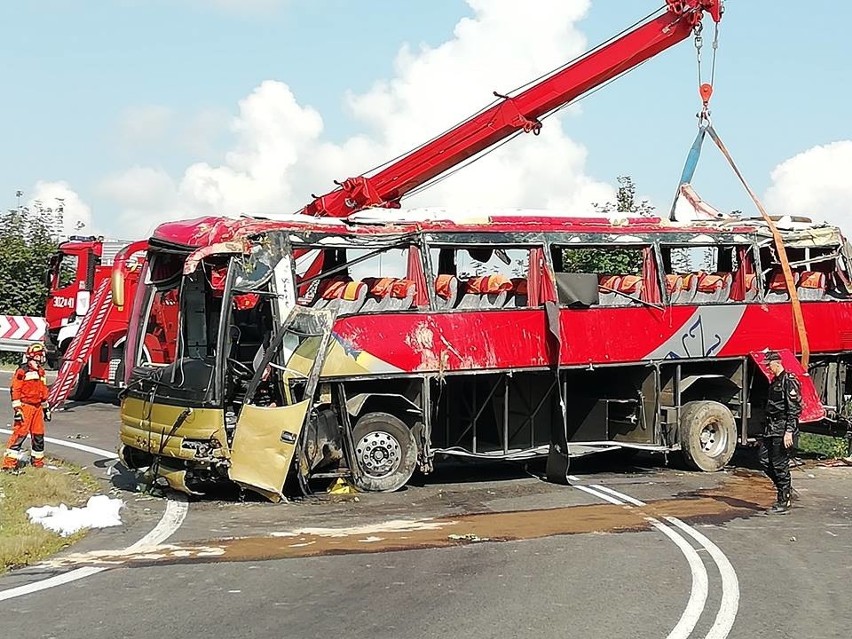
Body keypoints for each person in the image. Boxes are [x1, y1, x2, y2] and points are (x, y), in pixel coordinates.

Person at [758, 351, 802, 514]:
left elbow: (794, 409)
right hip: (771, 428)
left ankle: (784, 500)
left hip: (782, 428)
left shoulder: (788, 381)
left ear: (776, 363)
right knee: (763, 460)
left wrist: (789, 431)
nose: (768, 368)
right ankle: (784, 488)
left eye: (769, 364)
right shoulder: (774, 381)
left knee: (779, 464)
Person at [2, 343, 52, 472]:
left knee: (38, 435)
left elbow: (43, 391)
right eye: (41, 356)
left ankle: (37, 462)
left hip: (37, 408)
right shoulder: (22, 371)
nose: (43, 358)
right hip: (25, 407)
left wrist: (46, 408)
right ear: (37, 356)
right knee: (19, 434)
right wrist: (17, 409)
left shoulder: (41, 372)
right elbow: (15, 390)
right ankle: (8, 464)